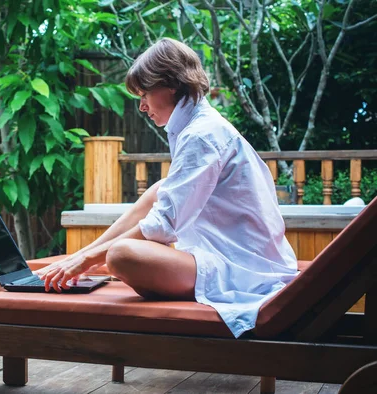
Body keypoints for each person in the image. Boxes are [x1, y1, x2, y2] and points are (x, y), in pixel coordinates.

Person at [34, 38, 298, 338]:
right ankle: (78, 257)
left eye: (145, 94)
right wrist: (81, 258)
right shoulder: (198, 126)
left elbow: (163, 225)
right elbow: (164, 205)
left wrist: (87, 261)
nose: (142, 106)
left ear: (171, 85)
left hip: (243, 273)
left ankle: (82, 259)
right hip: (230, 260)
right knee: (160, 188)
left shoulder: (202, 134)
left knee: (121, 255)